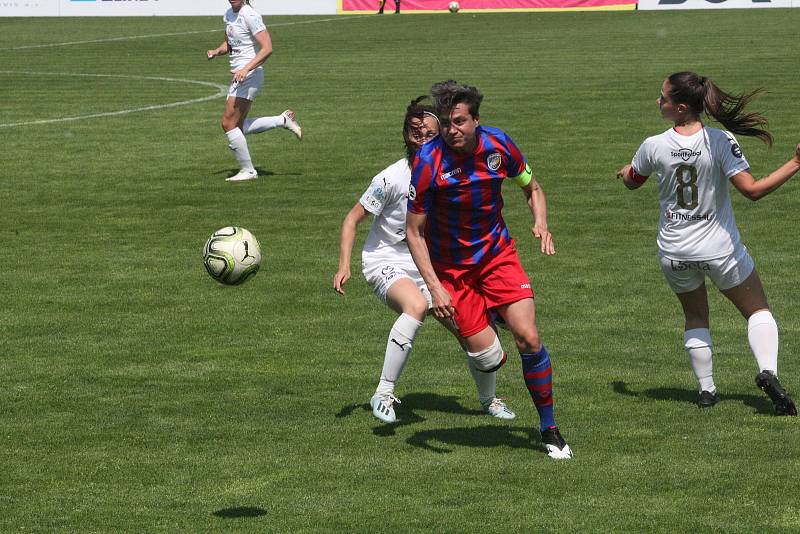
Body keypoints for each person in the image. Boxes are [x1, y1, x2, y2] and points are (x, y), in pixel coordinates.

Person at [406, 81, 572, 459]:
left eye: (460, 121)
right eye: (447, 122)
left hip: (497, 256)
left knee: (529, 337)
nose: (452, 130)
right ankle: (492, 312)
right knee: (489, 359)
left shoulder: (499, 145)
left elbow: (531, 186)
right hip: (451, 270)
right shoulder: (429, 162)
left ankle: (549, 428)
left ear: (476, 120)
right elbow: (413, 233)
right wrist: (435, 287)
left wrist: (541, 222)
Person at [617, 71, 799, 415]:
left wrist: (626, 170)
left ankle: (706, 391)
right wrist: (796, 162)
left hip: (675, 251)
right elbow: (753, 191)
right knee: (757, 310)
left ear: (681, 108)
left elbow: (632, 181)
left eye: (663, 98)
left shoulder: (653, 145)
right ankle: (768, 372)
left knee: (696, 315)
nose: (658, 102)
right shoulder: (720, 140)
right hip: (719, 249)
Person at [334, 97, 516, 424]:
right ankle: (384, 392)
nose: (422, 139)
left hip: (428, 266)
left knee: (469, 329)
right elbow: (351, 219)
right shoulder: (391, 178)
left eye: (429, 133)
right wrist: (344, 264)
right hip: (385, 261)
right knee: (415, 305)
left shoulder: (449, 175)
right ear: (406, 136)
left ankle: (489, 400)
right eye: (415, 133)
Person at [206, 0, 302, 182]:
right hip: (239, 76)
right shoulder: (228, 14)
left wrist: (246, 69)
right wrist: (217, 51)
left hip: (250, 75)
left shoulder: (250, 15)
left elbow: (267, 48)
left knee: (228, 123)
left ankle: (248, 170)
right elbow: (230, 42)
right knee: (237, 127)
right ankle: (283, 120)